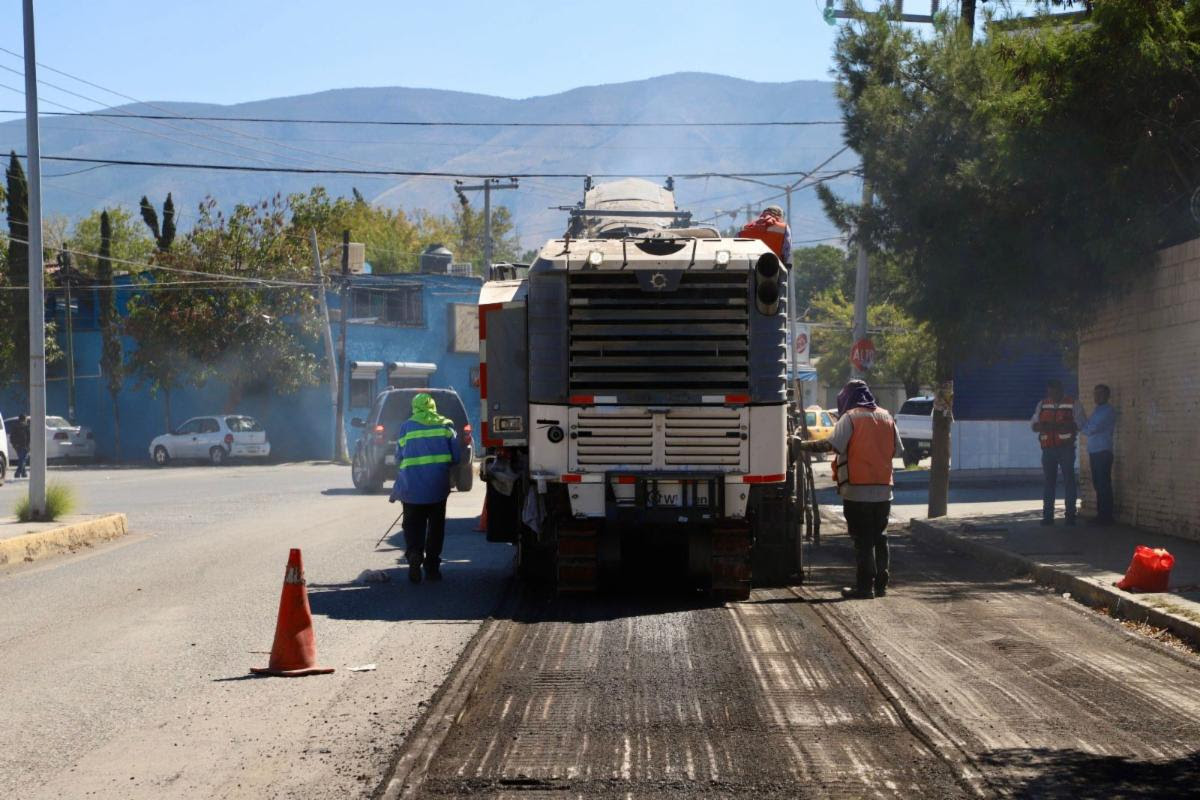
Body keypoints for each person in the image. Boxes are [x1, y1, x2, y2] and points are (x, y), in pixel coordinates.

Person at [798, 379, 904, 599]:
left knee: (863, 540)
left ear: (847, 398)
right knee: (880, 537)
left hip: (857, 490)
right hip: (884, 489)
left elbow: (831, 445)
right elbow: (898, 451)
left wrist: (801, 445)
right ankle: (881, 585)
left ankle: (864, 587)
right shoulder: (887, 417)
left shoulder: (850, 417)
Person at [388, 393, 462, 583]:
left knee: (412, 524)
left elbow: (399, 456)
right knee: (436, 528)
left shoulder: (406, 426)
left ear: (415, 407)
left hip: (411, 487)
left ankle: (414, 554)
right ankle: (432, 567)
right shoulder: (447, 425)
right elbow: (456, 456)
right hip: (437, 487)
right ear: (433, 406)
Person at [1031, 379, 1078, 526]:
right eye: (1050, 391)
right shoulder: (1043, 404)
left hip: (1066, 448)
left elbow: (1081, 423)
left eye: (1055, 391)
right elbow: (1033, 424)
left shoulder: (1073, 403)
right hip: (1048, 449)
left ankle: (1070, 516)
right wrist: (1042, 426)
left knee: (1069, 481)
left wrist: (1067, 426)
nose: (1052, 394)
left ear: (1061, 390)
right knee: (1049, 482)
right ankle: (1048, 516)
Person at [1076, 383, 1117, 525]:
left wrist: (1082, 425)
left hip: (1103, 451)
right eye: (1095, 393)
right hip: (1094, 451)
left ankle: (1106, 517)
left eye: (1100, 393)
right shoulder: (1097, 410)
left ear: (1107, 395)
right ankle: (1102, 515)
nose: (1097, 396)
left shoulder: (1107, 411)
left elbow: (1090, 429)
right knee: (1098, 484)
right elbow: (1088, 427)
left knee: (1103, 484)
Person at [10, 413, 30, 479]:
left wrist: (14, 445)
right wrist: (29, 446)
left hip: (18, 446)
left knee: (22, 459)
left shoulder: (15, 426)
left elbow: (11, 437)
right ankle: (17, 473)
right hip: (24, 446)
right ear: (24, 419)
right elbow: (29, 437)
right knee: (23, 459)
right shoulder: (26, 426)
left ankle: (24, 473)